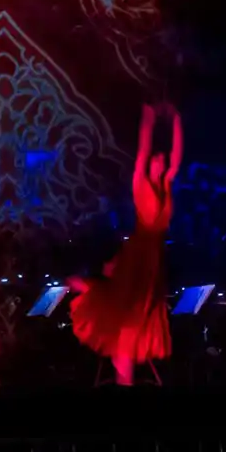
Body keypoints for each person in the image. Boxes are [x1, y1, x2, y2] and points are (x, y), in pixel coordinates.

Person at [69, 103, 180, 386]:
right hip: (140, 253)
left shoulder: (166, 183)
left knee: (143, 313)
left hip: (156, 257)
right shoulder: (140, 181)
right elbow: (143, 151)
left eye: (162, 159)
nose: (161, 161)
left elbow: (177, 156)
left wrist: (177, 120)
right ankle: (123, 376)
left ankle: (125, 373)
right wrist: (149, 121)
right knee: (128, 311)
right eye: (157, 158)